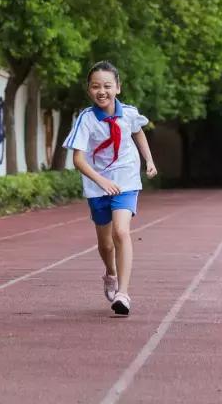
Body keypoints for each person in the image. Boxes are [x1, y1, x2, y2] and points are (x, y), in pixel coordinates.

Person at [64, 61, 157, 316]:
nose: (102, 91)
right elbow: (78, 159)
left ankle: (123, 293)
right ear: (89, 90)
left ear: (118, 87)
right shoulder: (86, 119)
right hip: (98, 185)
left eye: (107, 86)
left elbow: (138, 132)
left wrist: (149, 160)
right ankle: (111, 273)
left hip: (126, 179)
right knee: (106, 245)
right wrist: (101, 181)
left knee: (121, 231)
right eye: (96, 86)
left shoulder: (129, 113)